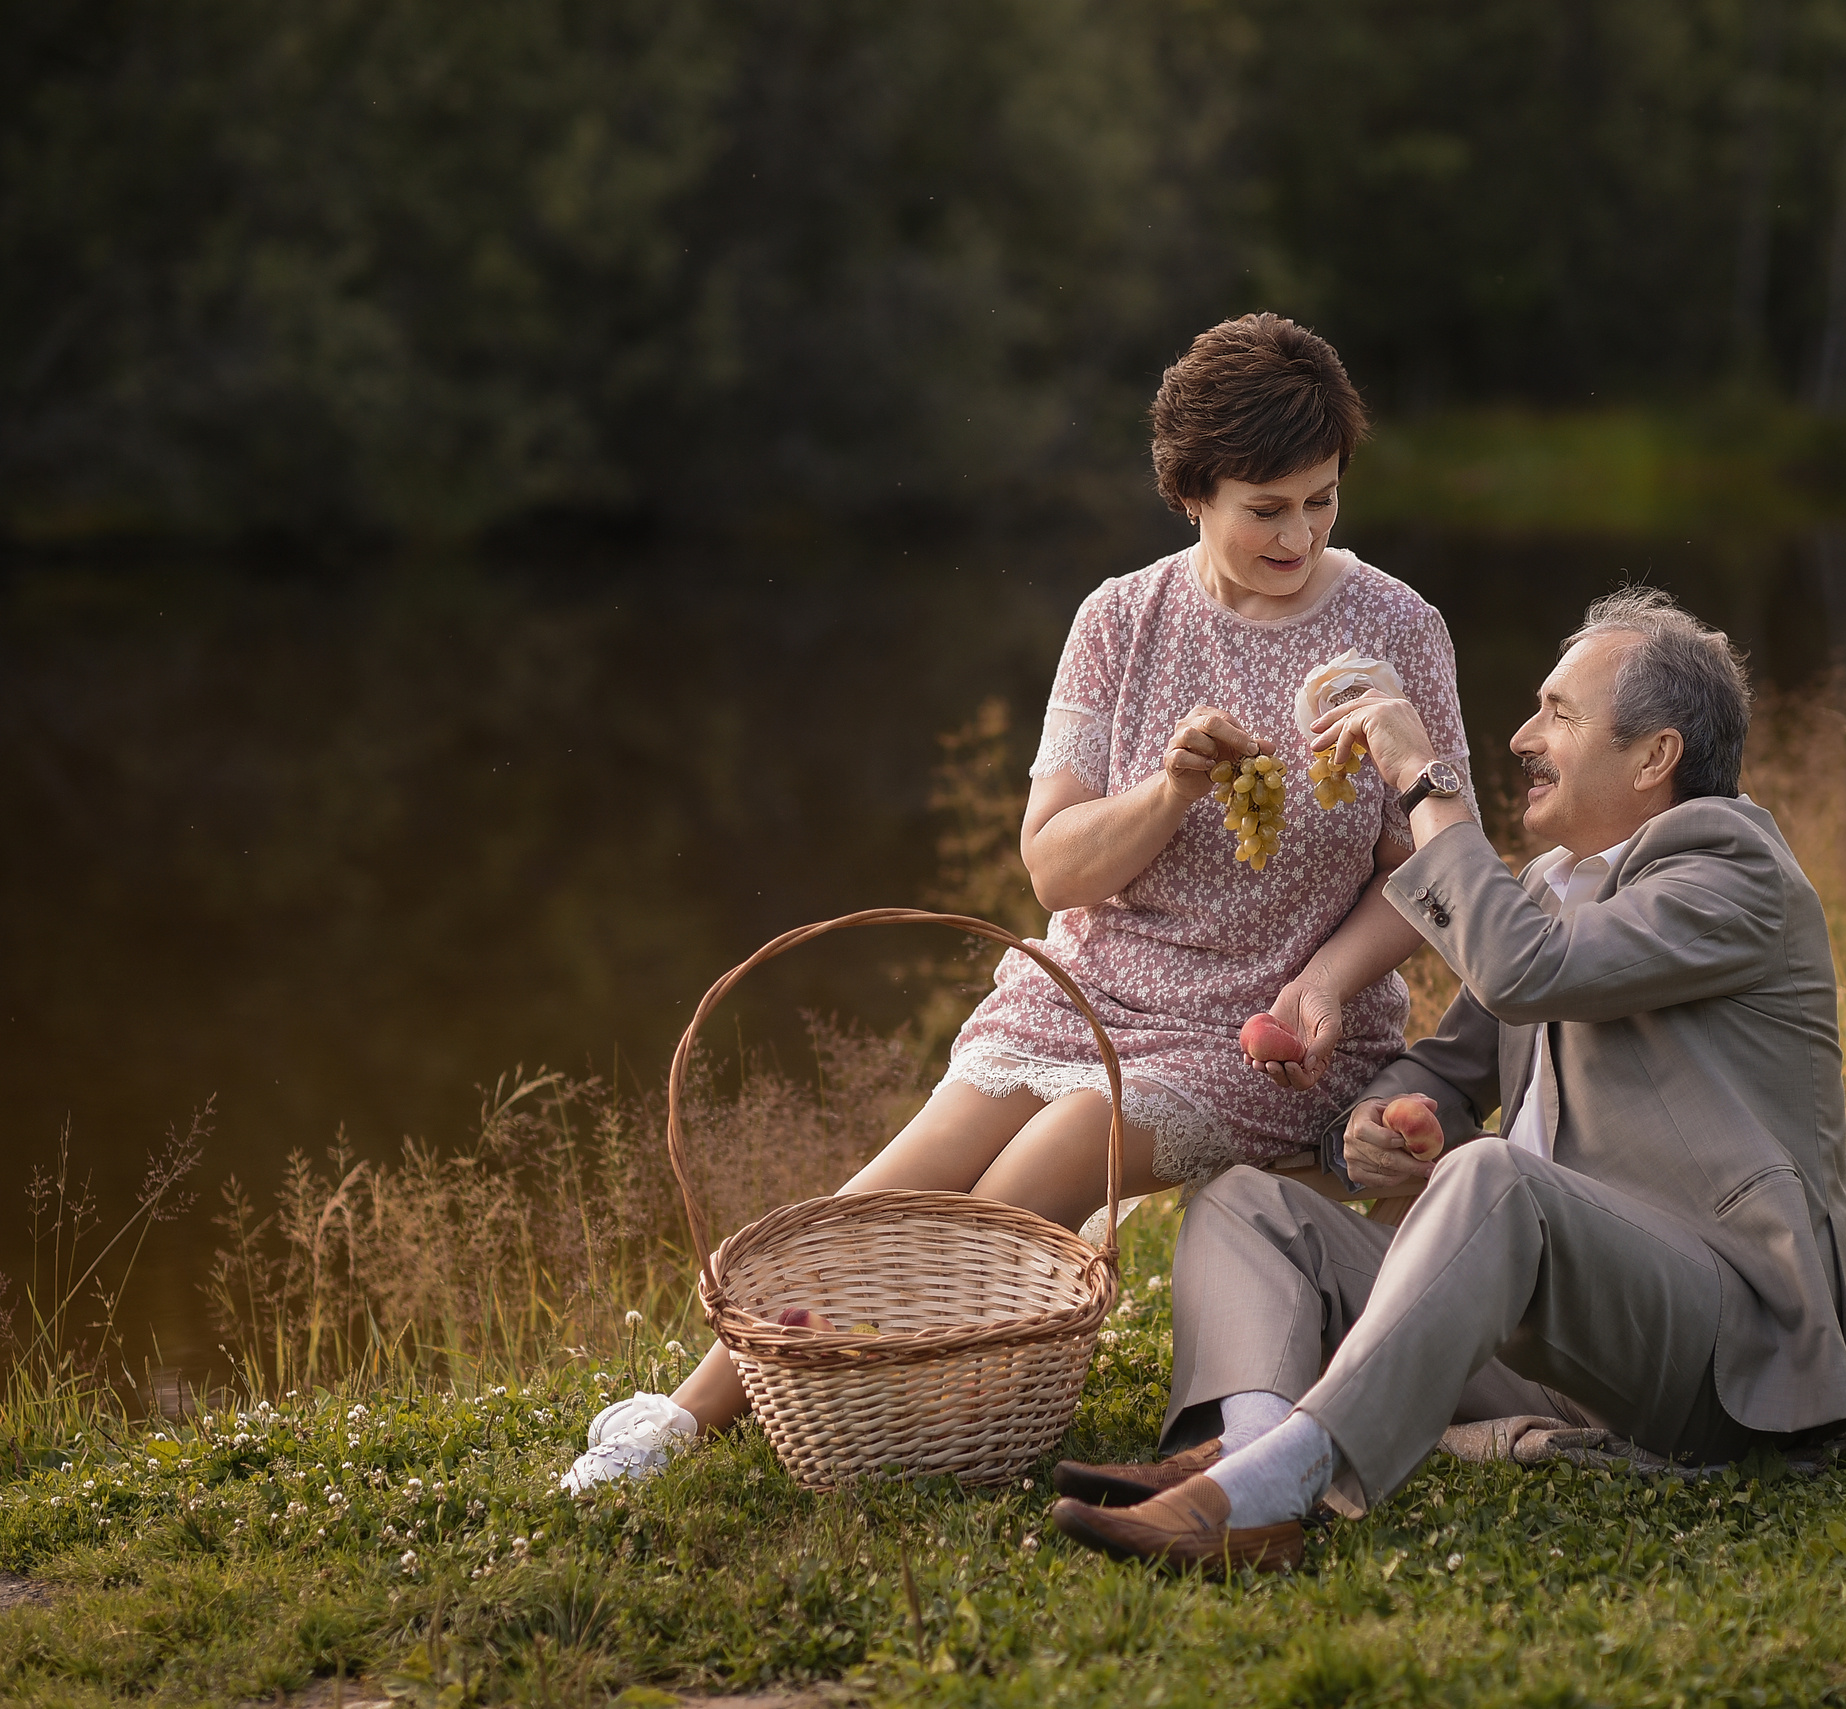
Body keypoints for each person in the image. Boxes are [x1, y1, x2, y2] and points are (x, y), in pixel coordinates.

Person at [563, 313, 1478, 1492]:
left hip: (1267, 1035)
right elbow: (1054, 870)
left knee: (1027, 1179)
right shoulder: (1118, 620)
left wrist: (1324, 981)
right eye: (1267, 507)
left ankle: (918, 1431)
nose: (1297, 534)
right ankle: (679, 1421)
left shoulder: (1396, 629)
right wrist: (1172, 787)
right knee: (887, 1187)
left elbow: (1431, 868)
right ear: (1191, 489)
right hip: (1081, 994)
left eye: (1322, 500)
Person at [1047, 588, 1846, 1572]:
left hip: (1720, 1354)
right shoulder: (1552, 887)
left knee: (1491, 1177)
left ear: (1654, 757)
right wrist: (1379, 1120)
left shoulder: (1731, 874)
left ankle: (1283, 1486)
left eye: (1558, 714)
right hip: (1554, 1347)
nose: (1523, 735)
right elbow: (1451, 1063)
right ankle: (1251, 1461)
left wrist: (1419, 772)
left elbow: (1526, 971)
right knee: (1244, 1202)